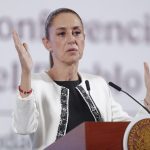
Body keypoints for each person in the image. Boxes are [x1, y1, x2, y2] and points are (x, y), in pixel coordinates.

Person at [12, 8, 150, 150]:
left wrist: (149, 98)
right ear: (47, 43)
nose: (72, 39)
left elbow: (130, 131)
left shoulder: (98, 85)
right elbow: (23, 127)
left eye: (76, 33)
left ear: (84, 38)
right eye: (62, 34)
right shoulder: (35, 84)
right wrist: (26, 73)